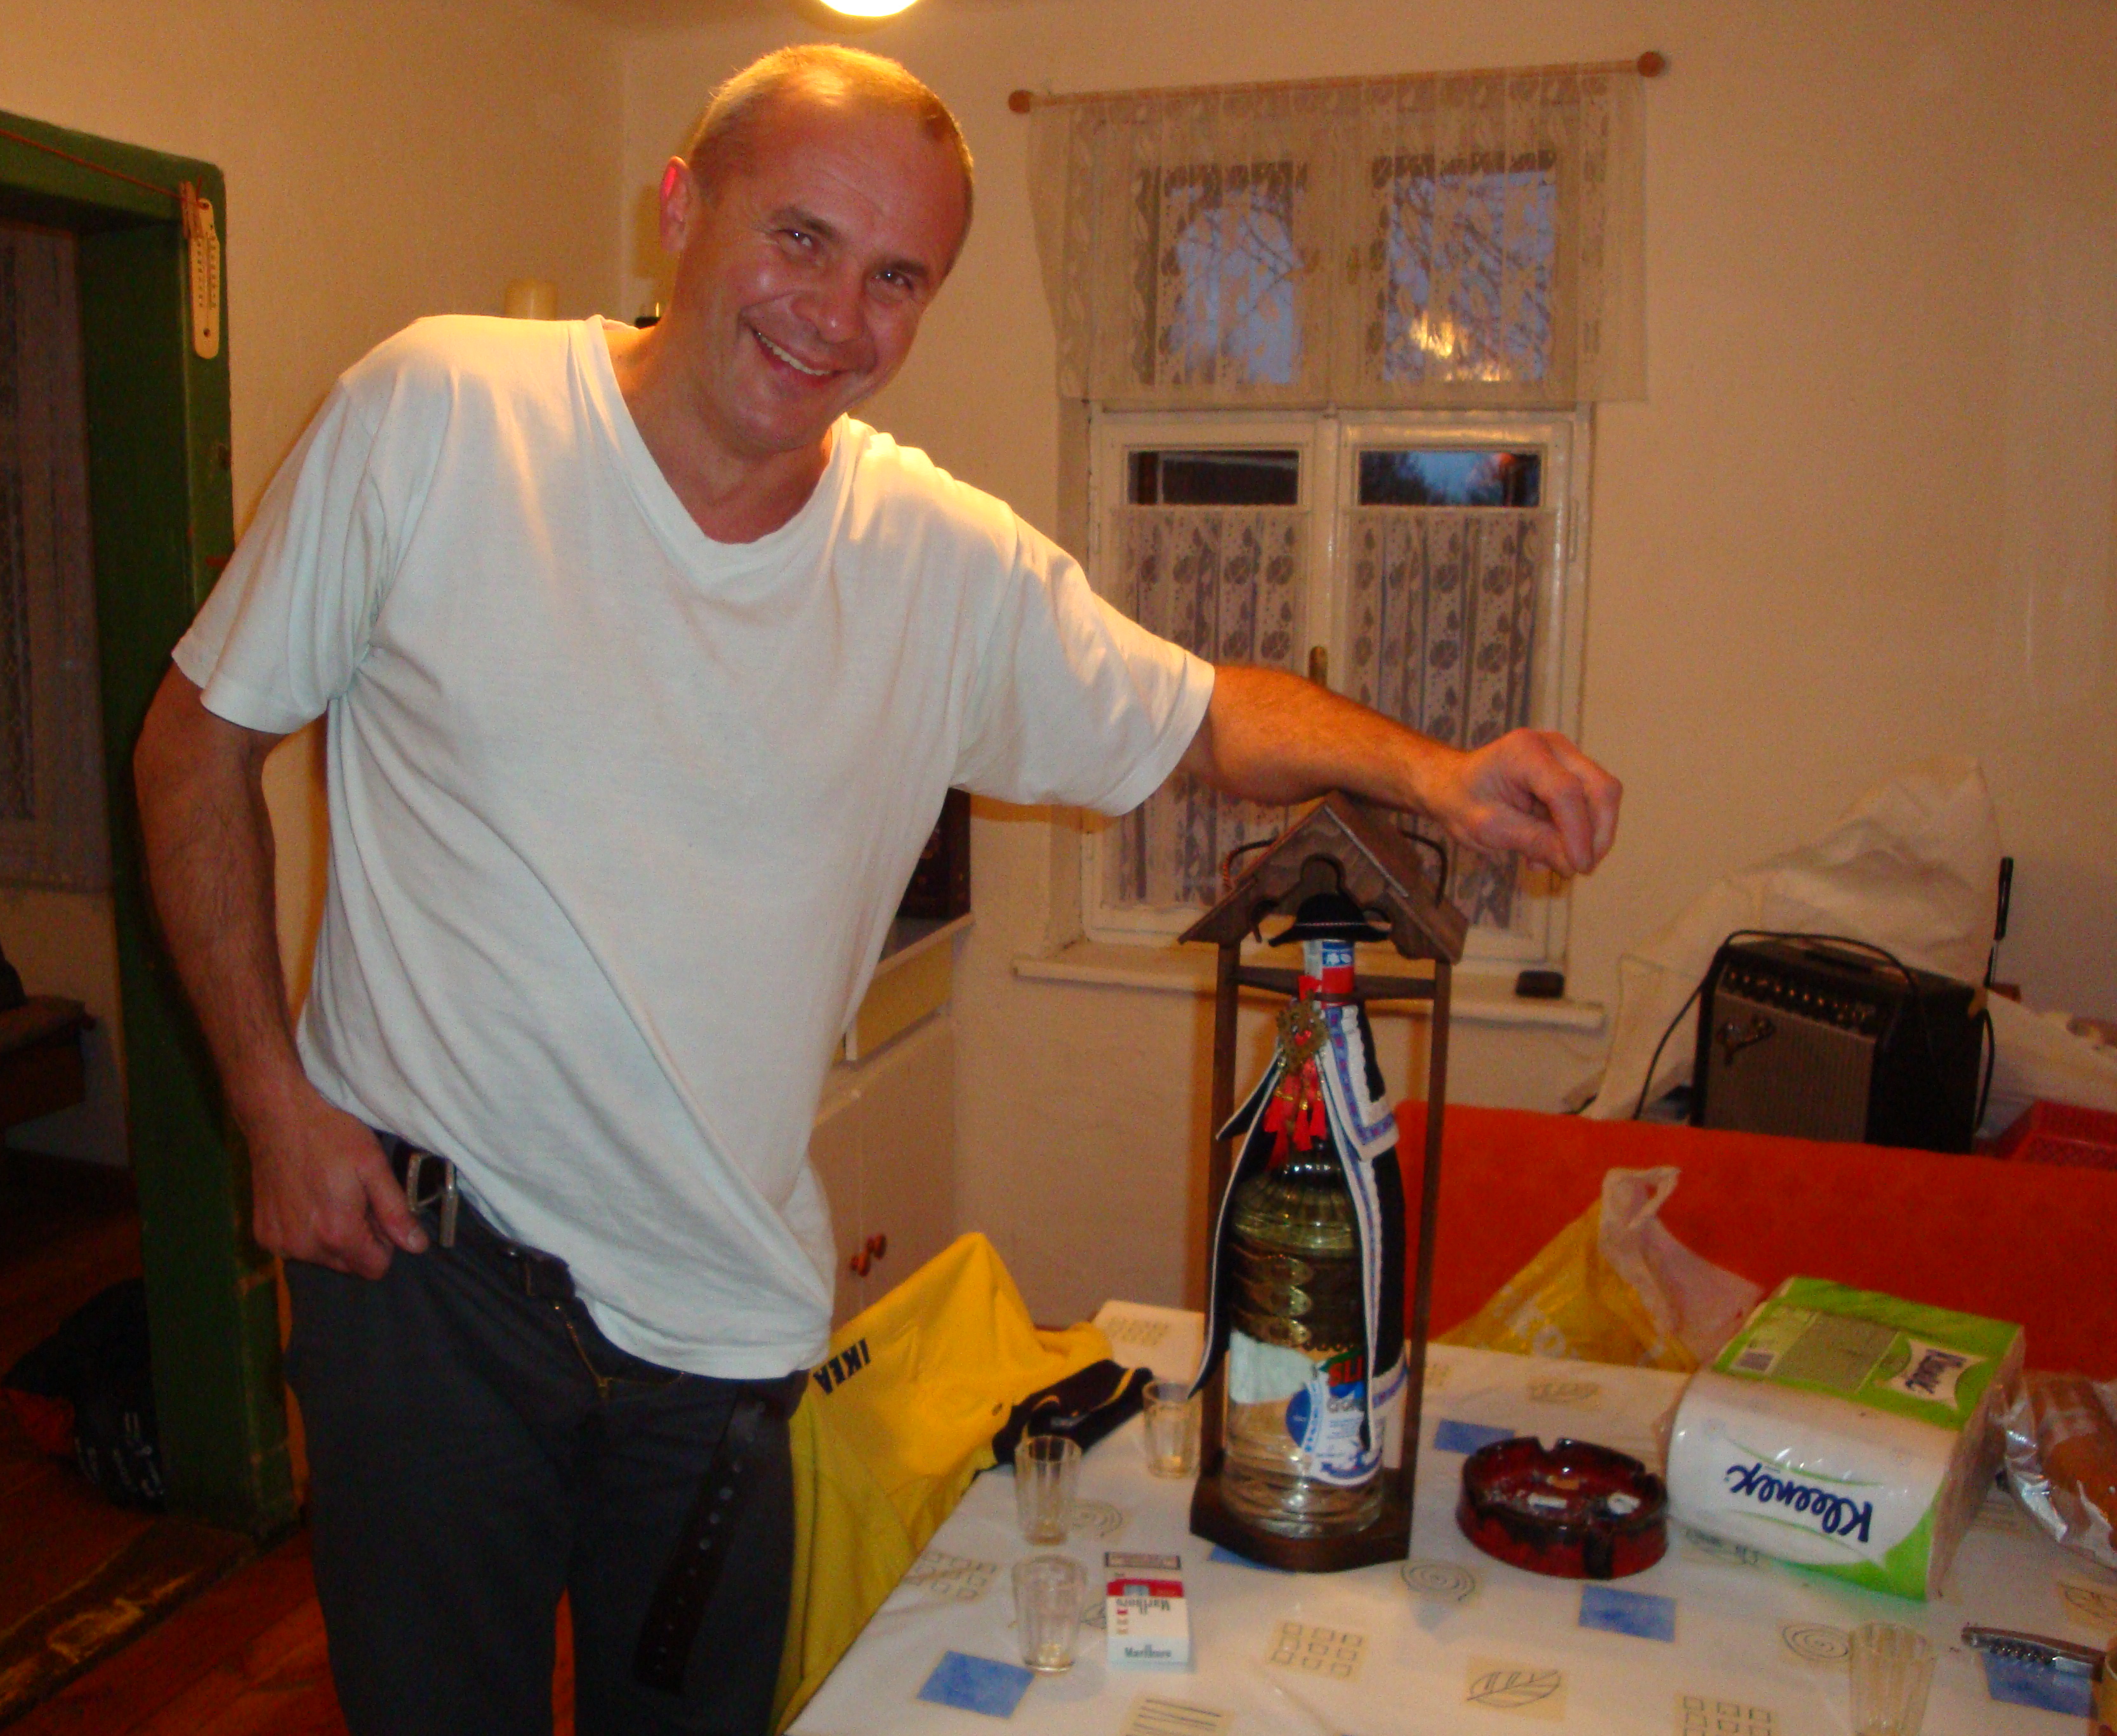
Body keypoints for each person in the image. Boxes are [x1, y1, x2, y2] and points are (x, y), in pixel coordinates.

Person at [133, 43, 1621, 1736]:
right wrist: (269, 1101)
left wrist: (1436, 773)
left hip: (720, 1323)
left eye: (897, 277)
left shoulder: (938, 562)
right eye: (801, 238)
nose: (836, 316)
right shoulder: (439, 415)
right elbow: (193, 750)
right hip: (427, 1273)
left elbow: (1204, 715)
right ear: (681, 206)